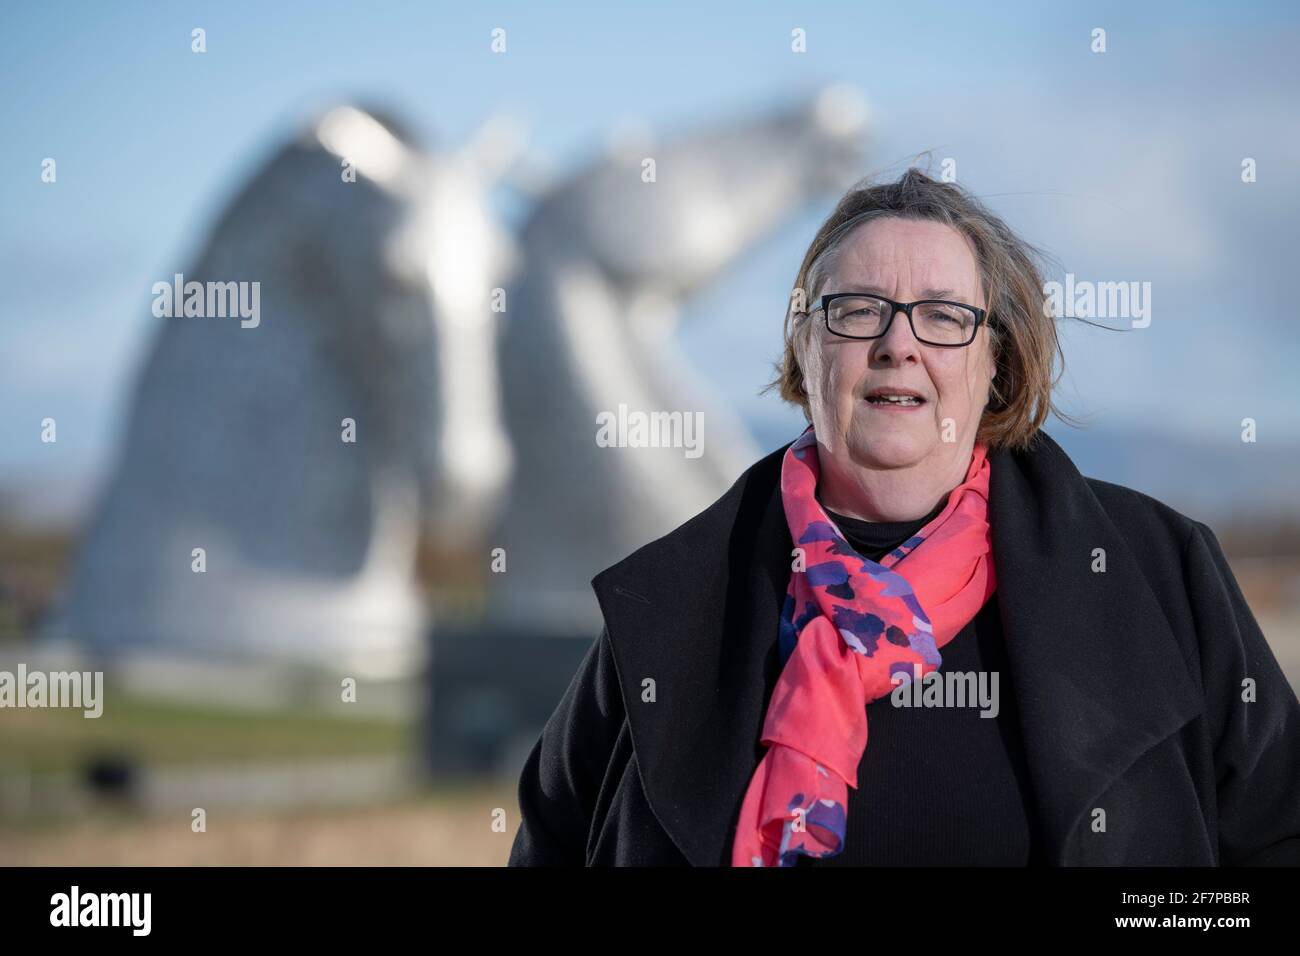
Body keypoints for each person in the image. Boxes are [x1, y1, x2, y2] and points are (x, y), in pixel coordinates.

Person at [508, 168, 1300, 866]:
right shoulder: (670, 601)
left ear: (997, 364)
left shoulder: (1159, 573)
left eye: (945, 316)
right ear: (805, 349)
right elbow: (550, 839)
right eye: (856, 310)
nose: (897, 343)